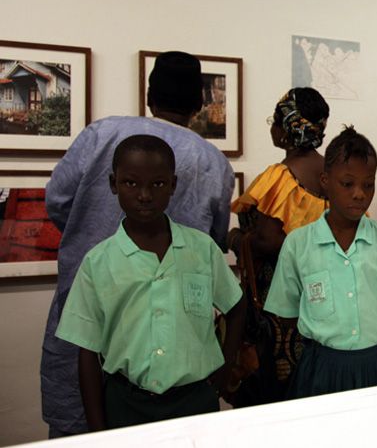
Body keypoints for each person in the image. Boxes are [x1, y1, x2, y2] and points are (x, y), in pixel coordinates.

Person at [42, 51, 234, 437]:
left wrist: (90, 236)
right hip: (177, 352)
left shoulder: (102, 135)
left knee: (78, 429)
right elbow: (212, 244)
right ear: (199, 104)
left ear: (149, 95)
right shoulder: (212, 162)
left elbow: (58, 201)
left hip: (91, 322)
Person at [54, 135, 244, 431]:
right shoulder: (98, 262)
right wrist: (97, 429)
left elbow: (237, 306)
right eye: (131, 183)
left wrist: (225, 366)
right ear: (113, 183)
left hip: (194, 401)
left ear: (173, 185)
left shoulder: (201, 250)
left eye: (157, 184)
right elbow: (87, 352)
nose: (144, 195)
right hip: (126, 403)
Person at [263, 127, 377, 397]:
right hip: (321, 368)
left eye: (368, 184)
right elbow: (287, 312)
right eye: (348, 183)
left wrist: (371, 334)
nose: (359, 194)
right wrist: (329, 336)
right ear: (325, 181)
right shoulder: (298, 243)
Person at [227, 87, 329, 406]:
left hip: (279, 307)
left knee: (275, 394)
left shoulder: (279, 176)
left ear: (286, 127)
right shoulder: (335, 175)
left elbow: (268, 241)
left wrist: (234, 239)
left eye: (275, 119)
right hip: (324, 299)